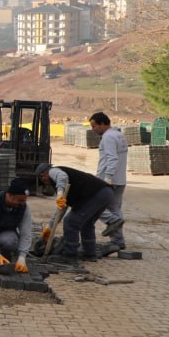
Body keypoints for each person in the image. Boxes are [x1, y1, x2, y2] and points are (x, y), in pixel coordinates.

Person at [35, 162, 113, 265]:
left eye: (42, 178)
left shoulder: (53, 171)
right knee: (87, 224)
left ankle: (70, 255)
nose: (45, 182)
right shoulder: (63, 187)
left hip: (95, 194)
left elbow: (62, 177)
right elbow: (61, 209)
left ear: (44, 174)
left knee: (70, 222)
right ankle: (90, 254)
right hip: (105, 193)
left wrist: (59, 195)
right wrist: (49, 227)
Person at [89, 111, 127, 254]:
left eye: (94, 126)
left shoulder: (108, 137)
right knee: (115, 209)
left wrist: (107, 178)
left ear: (103, 124)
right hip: (120, 179)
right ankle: (118, 241)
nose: (93, 129)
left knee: (95, 206)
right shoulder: (118, 135)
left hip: (109, 180)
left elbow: (112, 158)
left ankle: (116, 232)